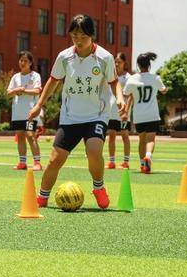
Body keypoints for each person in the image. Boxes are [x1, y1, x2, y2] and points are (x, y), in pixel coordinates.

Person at [28, 14, 126, 210]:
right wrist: (39, 104)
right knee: (56, 159)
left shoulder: (104, 58)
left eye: (83, 36)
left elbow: (114, 82)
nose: (78, 41)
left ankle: (98, 188)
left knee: (94, 151)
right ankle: (42, 196)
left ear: (92, 35)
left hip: (96, 116)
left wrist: (120, 97)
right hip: (70, 117)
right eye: (74, 36)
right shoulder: (65, 57)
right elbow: (53, 81)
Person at [123, 52, 167, 174]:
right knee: (151, 139)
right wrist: (163, 89)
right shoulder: (155, 78)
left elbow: (125, 94)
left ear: (138, 65)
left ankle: (143, 164)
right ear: (149, 64)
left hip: (139, 115)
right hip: (152, 114)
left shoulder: (132, 79)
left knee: (141, 140)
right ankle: (148, 156)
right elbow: (163, 90)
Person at [7, 51, 42, 171]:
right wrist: (16, 90)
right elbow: (8, 93)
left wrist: (24, 90)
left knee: (30, 135)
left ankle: (37, 162)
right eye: (21, 60)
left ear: (30, 63)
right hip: (17, 113)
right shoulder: (15, 77)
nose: (22, 63)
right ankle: (22, 162)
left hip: (30, 113)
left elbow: (38, 91)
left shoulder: (35, 76)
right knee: (20, 136)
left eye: (25, 61)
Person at [106, 52, 132, 169]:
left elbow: (131, 96)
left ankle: (126, 162)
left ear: (124, 63)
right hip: (111, 111)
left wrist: (126, 111)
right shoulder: (111, 76)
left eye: (119, 62)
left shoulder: (128, 78)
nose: (117, 64)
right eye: (115, 61)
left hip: (123, 112)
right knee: (111, 136)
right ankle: (111, 162)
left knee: (124, 136)